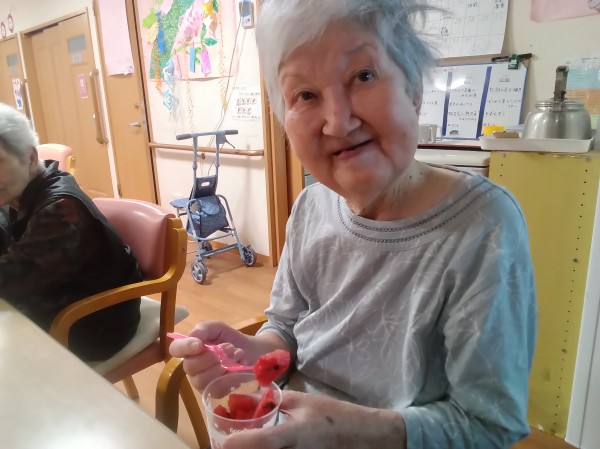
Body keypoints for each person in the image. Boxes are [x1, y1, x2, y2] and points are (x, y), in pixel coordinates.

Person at [170, 1, 537, 448]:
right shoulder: (310, 206)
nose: (338, 122)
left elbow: (489, 425)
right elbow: (286, 326)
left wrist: (348, 429)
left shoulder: (484, 226)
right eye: (305, 95)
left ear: (414, 88)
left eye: (363, 75)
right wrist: (254, 352)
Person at [0, 103, 141, 362]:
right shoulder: (15, 195)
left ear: (30, 158)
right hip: (57, 303)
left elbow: (9, 281)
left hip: (92, 326)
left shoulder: (61, 209)